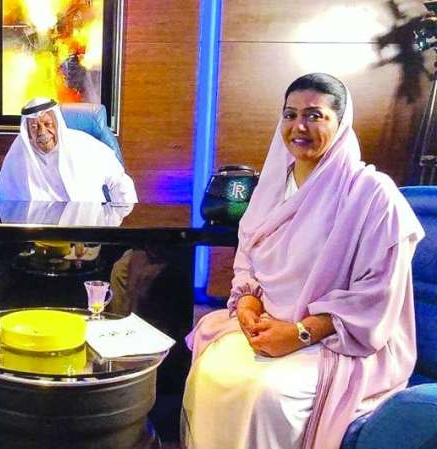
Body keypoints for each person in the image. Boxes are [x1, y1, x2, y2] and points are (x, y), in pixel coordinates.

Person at [181, 73, 424, 449]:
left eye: (314, 115)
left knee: (266, 393)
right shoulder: (272, 187)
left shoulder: (372, 195)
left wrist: (299, 333)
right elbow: (248, 260)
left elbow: (376, 295)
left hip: (339, 339)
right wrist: (247, 303)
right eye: (290, 114)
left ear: (340, 124)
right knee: (212, 369)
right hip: (268, 325)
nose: (299, 126)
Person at [0, 97, 138, 203]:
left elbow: (120, 182)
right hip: (38, 230)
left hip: (85, 227)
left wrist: (114, 223)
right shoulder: (17, 156)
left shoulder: (85, 146)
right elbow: (4, 200)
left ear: (57, 123)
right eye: (34, 127)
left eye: (47, 124)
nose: (42, 132)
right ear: (28, 134)